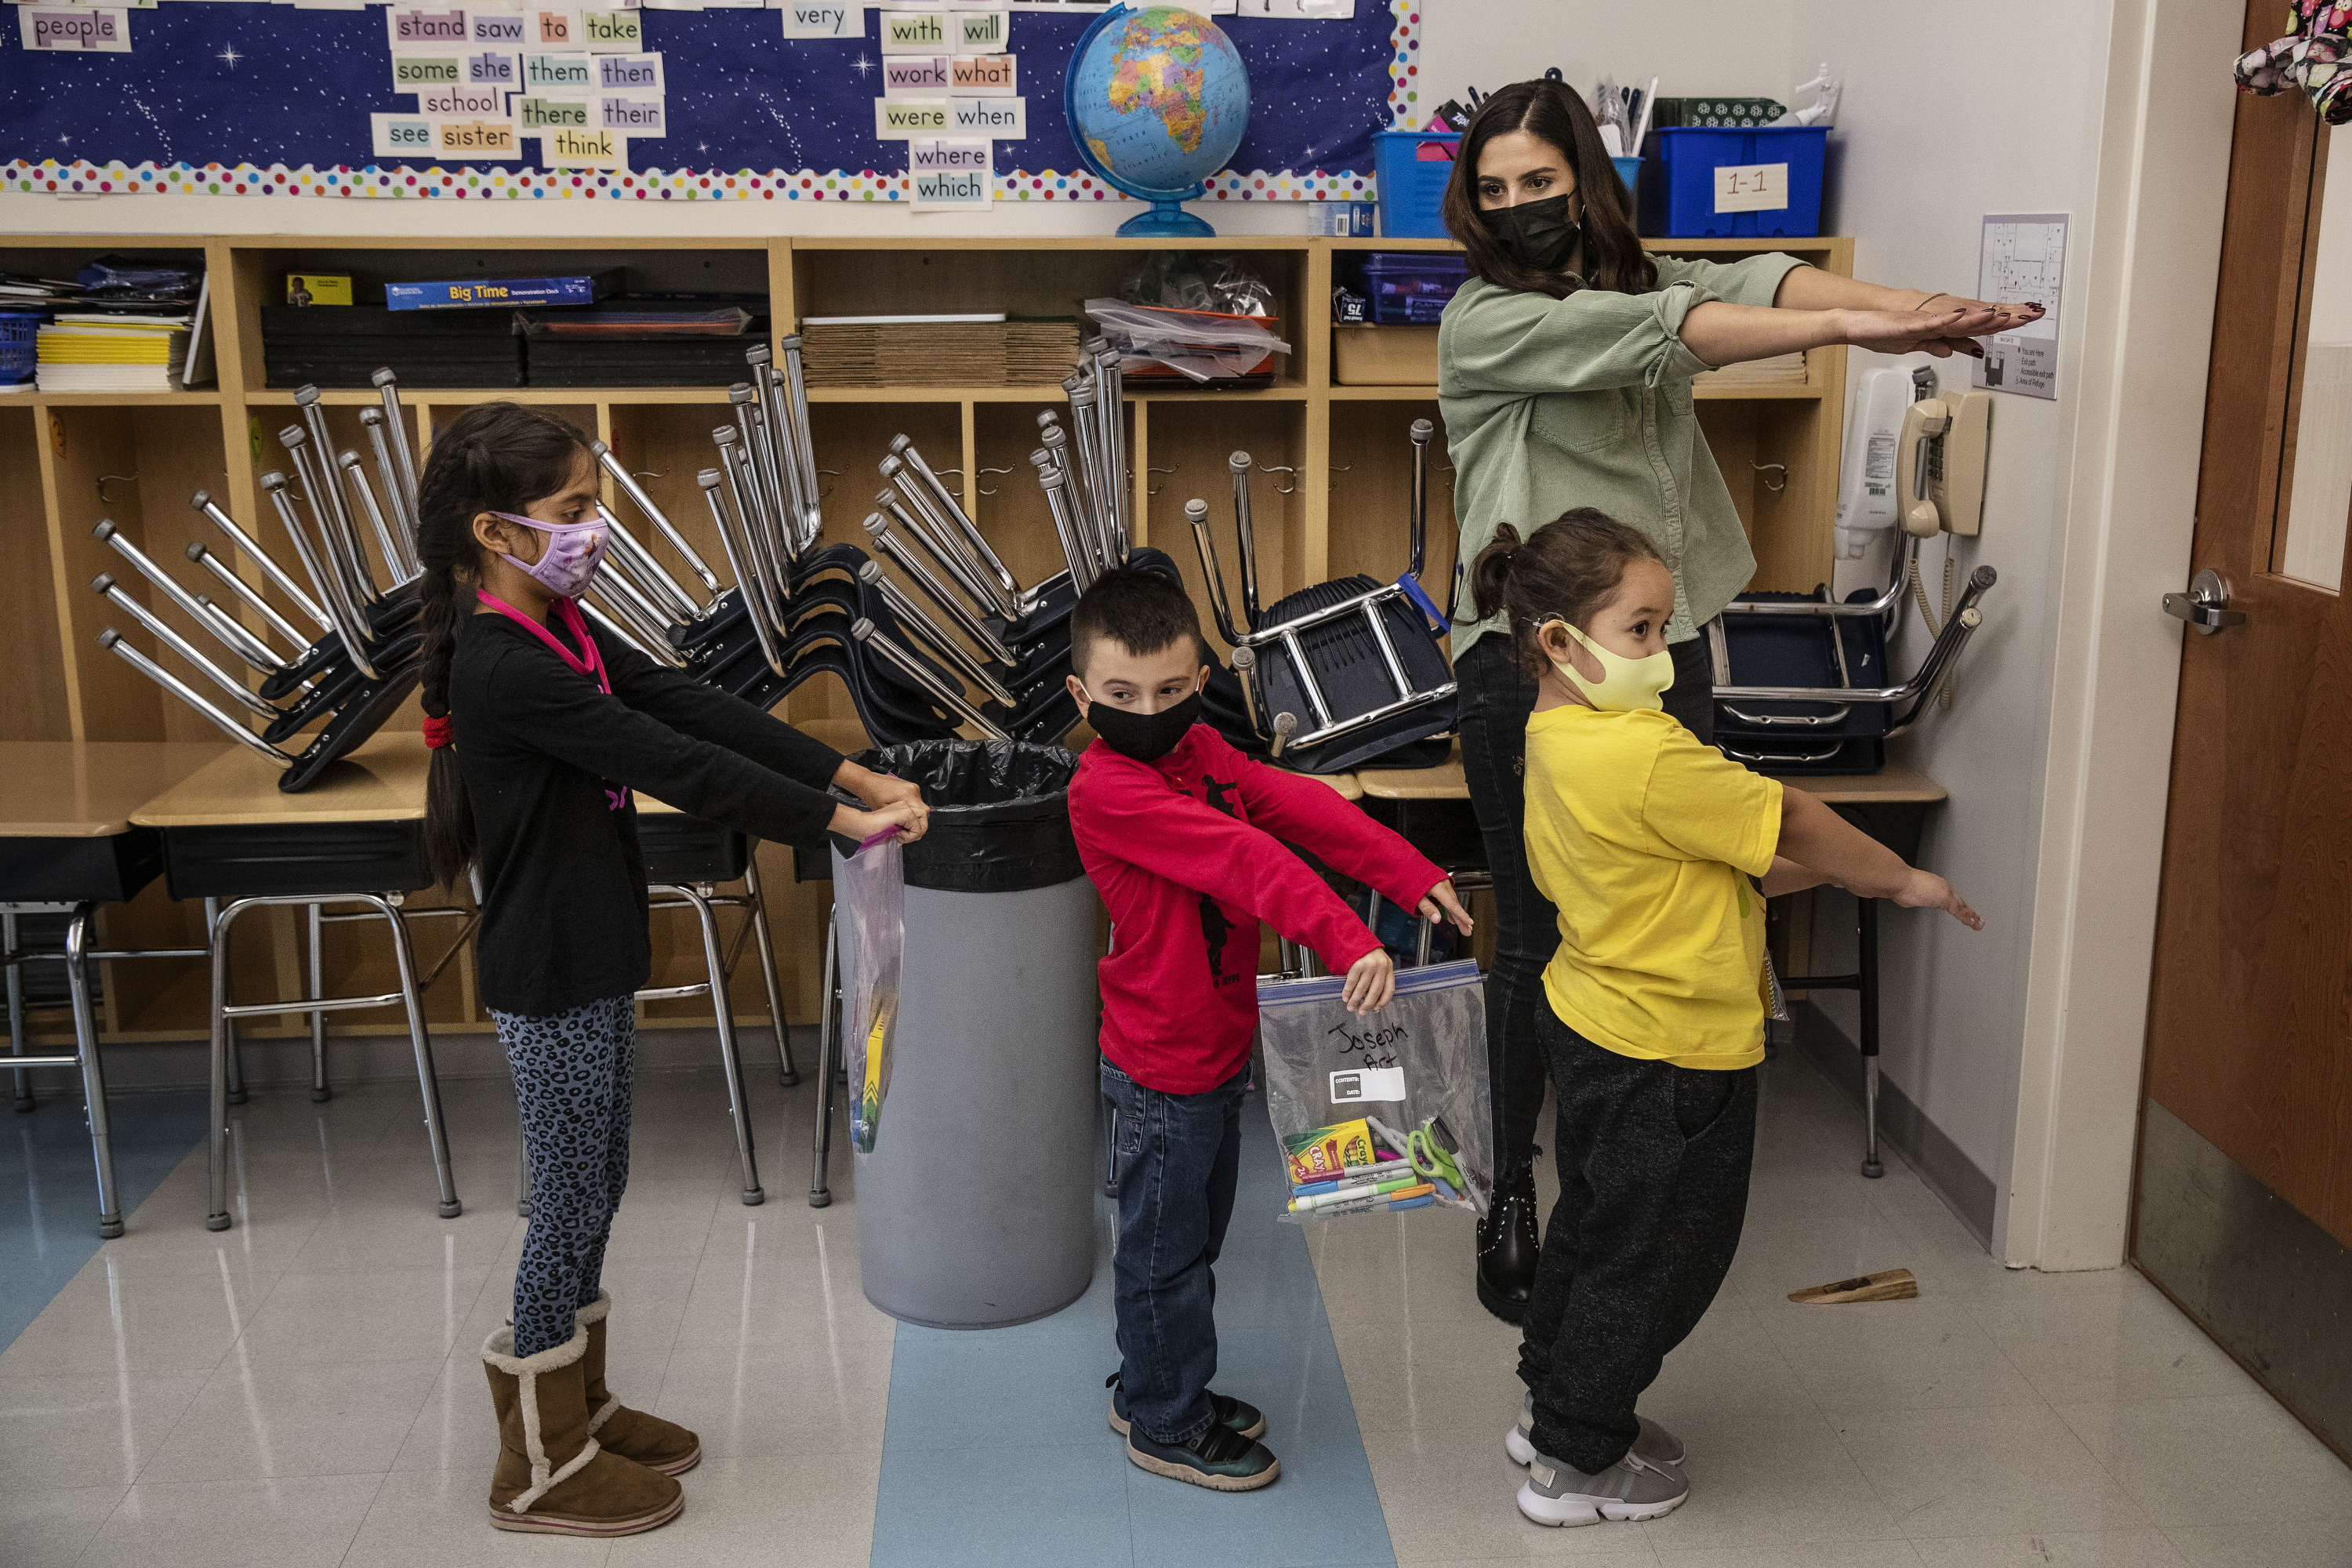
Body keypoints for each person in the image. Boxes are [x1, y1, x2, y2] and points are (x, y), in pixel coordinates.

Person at [1436, 76, 2039, 1322]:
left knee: (1687, 888)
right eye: (1493, 191)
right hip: (1533, 664)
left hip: (1671, 640)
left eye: (1538, 183)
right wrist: (1864, 335)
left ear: (1584, 179)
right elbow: (1688, 328)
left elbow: (1765, 279)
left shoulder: (1647, 268)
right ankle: (1512, 1192)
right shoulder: (1483, 321)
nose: (1517, 209)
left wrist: (1910, 310)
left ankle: (1640, 1172)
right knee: (1543, 931)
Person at [416, 402, 930, 1537]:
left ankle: (579, 1408)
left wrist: (849, 773)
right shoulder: (505, 664)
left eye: (591, 504)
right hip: (547, 971)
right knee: (566, 1201)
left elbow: (694, 707)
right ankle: (536, 1464)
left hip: (589, 952)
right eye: (572, 510)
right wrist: (834, 824)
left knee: (600, 1182)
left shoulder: (565, 626)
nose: (593, 527)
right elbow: (668, 762)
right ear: (497, 535)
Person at [1468, 510, 1982, 1526]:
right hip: (1671, 1056)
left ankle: (1555, 1400)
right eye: (1642, 630)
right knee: (1660, 1255)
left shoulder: (1559, 736)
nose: (1662, 654)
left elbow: (1722, 861)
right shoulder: (1647, 758)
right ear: (1559, 644)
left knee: (1598, 1223)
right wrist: (1904, 877)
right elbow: (1788, 817)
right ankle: (1575, 1461)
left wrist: (1850, 881)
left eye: (1665, 626)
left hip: (1594, 1022)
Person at [1063, 569, 1475, 1493]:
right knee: (1165, 1252)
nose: (1150, 710)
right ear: (1080, 697)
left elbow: (1302, 807)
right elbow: (1244, 856)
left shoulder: (1203, 748)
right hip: (1158, 1065)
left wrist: (1409, 872)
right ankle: (1166, 1420)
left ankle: (1151, 1382)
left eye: (1171, 690)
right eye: (1122, 695)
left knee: (1193, 1240)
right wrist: (1348, 935)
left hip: (1213, 1049)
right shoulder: (1107, 788)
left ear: (1202, 678)